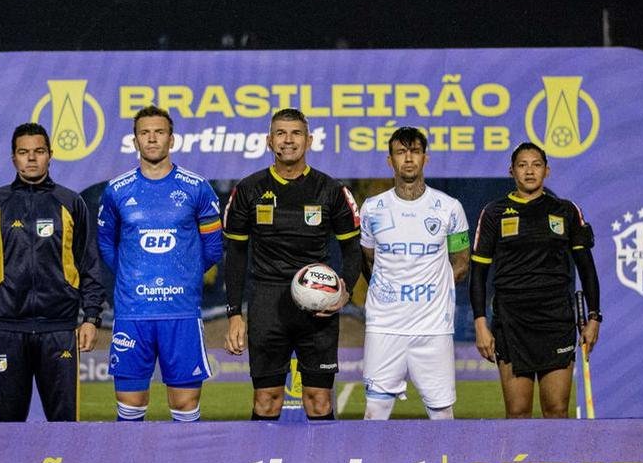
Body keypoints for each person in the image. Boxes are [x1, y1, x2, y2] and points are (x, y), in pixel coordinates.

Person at [223, 108, 362, 420]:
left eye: (296, 133)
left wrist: (344, 292)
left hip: (318, 308)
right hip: (267, 304)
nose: (288, 140)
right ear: (269, 141)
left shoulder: (331, 190)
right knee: (266, 401)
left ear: (309, 141)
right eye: (281, 133)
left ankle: (320, 455)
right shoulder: (248, 190)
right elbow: (236, 254)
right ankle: (263, 454)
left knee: (319, 401)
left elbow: (352, 249)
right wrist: (234, 314)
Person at [97, 106, 223, 422]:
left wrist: (185, 275)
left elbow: (213, 247)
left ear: (172, 139)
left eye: (159, 132)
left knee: (185, 406)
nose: (152, 138)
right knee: (130, 407)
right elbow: (106, 244)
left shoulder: (196, 187)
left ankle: (183, 457)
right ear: (135, 140)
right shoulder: (116, 190)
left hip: (181, 313)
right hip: (133, 313)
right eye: (145, 132)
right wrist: (130, 274)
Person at [0, 123, 105, 422]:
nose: (31, 158)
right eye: (24, 152)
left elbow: (88, 264)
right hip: (8, 330)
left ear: (50, 155)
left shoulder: (71, 202)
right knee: (7, 428)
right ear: (13, 158)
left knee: (64, 428)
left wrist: (91, 318)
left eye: (39, 151)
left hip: (59, 330)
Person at [470, 142, 601, 418]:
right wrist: (480, 324)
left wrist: (594, 317)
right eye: (522, 165)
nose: (529, 171)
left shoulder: (566, 210)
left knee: (556, 410)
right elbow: (478, 273)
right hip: (511, 323)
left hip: (556, 322)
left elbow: (587, 269)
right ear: (511, 171)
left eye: (536, 165)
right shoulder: (494, 213)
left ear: (547, 171)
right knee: (518, 413)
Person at [359, 127, 470, 420]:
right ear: (390, 160)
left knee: (442, 413)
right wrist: (391, 293)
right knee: (375, 412)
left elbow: (461, 262)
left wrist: (432, 290)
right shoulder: (372, 209)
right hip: (385, 326)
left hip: (433, 328)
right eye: (401, 152)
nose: (408, 159)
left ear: (425, 158)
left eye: (415, 152)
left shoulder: (450, 208)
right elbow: (368, 261)